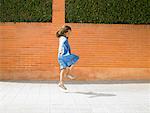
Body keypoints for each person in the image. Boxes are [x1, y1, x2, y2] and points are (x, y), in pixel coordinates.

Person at [56, 25, 79, 90]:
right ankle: (68, 74)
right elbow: (62, 44)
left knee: (63, 69)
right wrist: (61, 51)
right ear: (65, 32)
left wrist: (60, 51)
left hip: (60, 55)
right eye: (69, 32)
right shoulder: (64, 38)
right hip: (64, 55)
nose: (69, 34)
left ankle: (61, 83)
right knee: (75, 58)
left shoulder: (61, 38)